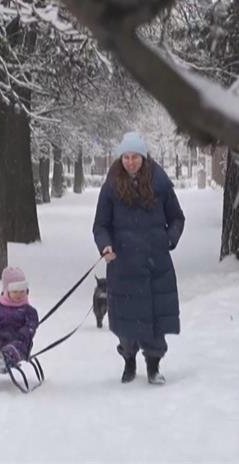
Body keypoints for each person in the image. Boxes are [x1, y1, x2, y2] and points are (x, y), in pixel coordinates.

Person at [92, 132, 185, 385]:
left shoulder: (160, 183)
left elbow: (177, 218)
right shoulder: (111, 186)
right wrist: (105, 246)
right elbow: (100, 225)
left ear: (143, 158)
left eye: (135, 157)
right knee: (126, 323)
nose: (130, 162)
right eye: (126, 157)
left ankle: (153, 367)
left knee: (154, 321)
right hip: (122, 264)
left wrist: (168, 239)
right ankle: (129, 362)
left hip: (155, 264)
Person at [0, 266, 40, 373]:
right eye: (15, 291)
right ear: (7, 291)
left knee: (13, 347)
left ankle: (5, 358)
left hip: (20, 344)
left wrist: (20, 334)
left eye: (22, 291)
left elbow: (31, 326)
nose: (19, 295)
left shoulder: (29, 311)